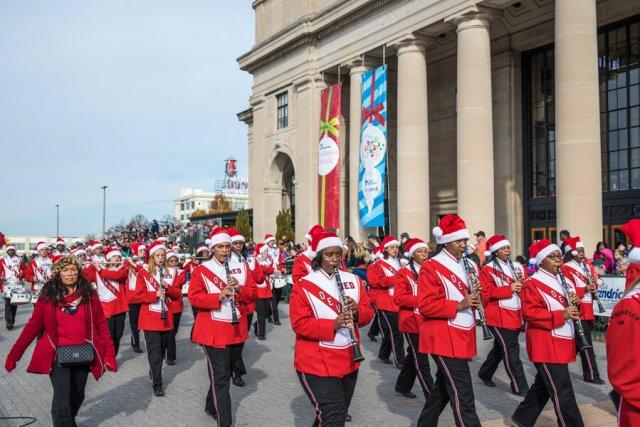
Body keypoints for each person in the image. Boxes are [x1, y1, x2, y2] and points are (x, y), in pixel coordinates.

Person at [4, 255, 117, 427]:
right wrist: (14, 356)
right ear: (58, 273)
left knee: (78, 396)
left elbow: (101, 326)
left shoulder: (89, 296)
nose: (70, 274)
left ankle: (68, 421)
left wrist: (110, 355)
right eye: (66, 270)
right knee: (61, 399)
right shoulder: (48, 296)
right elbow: (32, 327)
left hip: (83, 353)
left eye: (74, 270)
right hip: (57, 355)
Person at [290, 231, 374, 426]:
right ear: (319, 256)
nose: (334, 259)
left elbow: (368, 313)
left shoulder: (353, 280)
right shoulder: (304, 285)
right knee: (333, 416)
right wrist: (333, 324)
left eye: (338, 254)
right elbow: (300, 324)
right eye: (329, 255)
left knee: (330, 416)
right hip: (316, 360)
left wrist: (356, 312)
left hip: (348, 357)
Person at [417, 214, 482, 427]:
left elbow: (480, 296)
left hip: (462, 332)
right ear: (446, 241)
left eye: (464, 240)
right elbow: (425, 305)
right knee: (463, 391)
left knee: (445, 388)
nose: (463, 245)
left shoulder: (470, 265)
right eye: (458, 241)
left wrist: (480, 296)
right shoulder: (431, 266)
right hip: (442, 335)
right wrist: (459, 305)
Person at [511, 239, 584, 427]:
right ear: (541, 260)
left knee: (544, 385)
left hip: (562, 338)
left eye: (559, 256)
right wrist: (562, 314)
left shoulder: (565, 281)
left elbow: (573, 309)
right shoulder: (532, 283)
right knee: (562, 390)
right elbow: (530, 314)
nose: (557, 260)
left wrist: (577, 304)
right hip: (544, 342)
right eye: (552, 257)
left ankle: (523, 417)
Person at [188, 228, 257, 425]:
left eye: (227, 246)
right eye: (221, 247)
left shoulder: (242, 268)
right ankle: (224, 421)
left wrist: (239, 289)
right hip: (212, 331)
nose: (225, 250)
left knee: (224, 373)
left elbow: (253, 293)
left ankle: (211, 404)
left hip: (236, 329)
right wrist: (217, 296)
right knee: (221, 378)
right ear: (213, 248)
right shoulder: (202, 270)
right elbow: (194, 297)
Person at [477, 234, 529, 395]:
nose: (507, 251)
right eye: (503, 248)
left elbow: (526, 289)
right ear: (495, 251)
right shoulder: (487, 269)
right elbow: (486, 293)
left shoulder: (517, 267)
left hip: (515, 313)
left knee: (501, 349)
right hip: (497, 315)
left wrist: (524, 282)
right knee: (511, 350)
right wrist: (509, 288)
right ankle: (520, 386)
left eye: (508, 247)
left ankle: (485, 373)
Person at [134, 241, 182, 397]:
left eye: (163, 255)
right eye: (158, 255)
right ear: (152, 256)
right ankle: (157, 383)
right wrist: (152, 295)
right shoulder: (143, 272)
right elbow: (136, 296)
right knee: (154, 352)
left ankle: (153, 371)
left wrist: (168, 289)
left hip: (166, 317)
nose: (161, 258)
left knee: (161, 351)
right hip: (150, 318)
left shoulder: (172, 272)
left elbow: (177, 295)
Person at [393, 238, 434, 398]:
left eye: (425, 251)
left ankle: (402, 385)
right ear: (412, 255)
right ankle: (431, 395)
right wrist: (423, 300)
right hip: (411, 321)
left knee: (413, 355)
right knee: (421, 358)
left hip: (427, 319)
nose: (424, 254)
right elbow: (399, 298)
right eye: (420, 251)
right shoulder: (404, 273)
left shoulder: (431, 270)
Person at [561, 236, 605, 384]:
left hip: (588, 306)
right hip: (579, 308)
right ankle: (592, 374)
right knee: (586, 344)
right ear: (571, 252)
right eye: (578, 250)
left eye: (582, 250)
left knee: (578, 343)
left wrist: (594, 285)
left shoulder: (586, 265)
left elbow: (592, 283)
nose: (581, 252)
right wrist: (585, 288)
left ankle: (557, 365)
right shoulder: (566, 267)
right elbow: (568, 289)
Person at [82, 246, 129, 356]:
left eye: (119, 256)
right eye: (114, 256)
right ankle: (108, 356)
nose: (117, 258)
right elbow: (86, 276)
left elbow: (118, 276)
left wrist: (101, 269)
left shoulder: (123, 268)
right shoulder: (100, 270)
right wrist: (91, 265)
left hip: (120, 308)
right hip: (105, 309)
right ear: (108, 258)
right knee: (109, 335)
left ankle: (113, 354)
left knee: (118, 335)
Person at [367, 235, 405, 368]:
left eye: (396, 247)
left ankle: (383, 354)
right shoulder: (377, 264)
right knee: (397, 333)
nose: (395, 249)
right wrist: (397, 278)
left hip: (399, 301)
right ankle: (401, 361)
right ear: (386, 249)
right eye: (392, 247)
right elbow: (374, 282)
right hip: (386, 302)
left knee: (391, 332)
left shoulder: (400, 262)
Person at [165, 251, 186, 365]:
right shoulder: (160, 272)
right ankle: (170, 356)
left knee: (174, 331)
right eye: (171, 261)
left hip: (177, 305)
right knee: (170, 332)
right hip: (165, 305)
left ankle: (167, 349)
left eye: (175, 261)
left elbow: (180, 283)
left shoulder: (181, 272)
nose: (173, 263)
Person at [1, 244, 27, 329]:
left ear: (14, 251)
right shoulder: (3, 260)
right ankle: (9, 321)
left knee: (15, 303)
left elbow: (25, 269)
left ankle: (12, 320)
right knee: (8, 302)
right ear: (7, 251)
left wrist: (21, 274)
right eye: (9, 250)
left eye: (12, 250)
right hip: (7, 284)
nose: (11, 251)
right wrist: (1, 277)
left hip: (17, 283)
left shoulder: (19, 260)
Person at [127, 242, 147, 353]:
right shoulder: (128, 262)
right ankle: (135, 344)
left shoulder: (147, 263)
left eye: (144, 250)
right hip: (133, 298)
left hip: (144, 297)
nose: (144, 252)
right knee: (134, 323)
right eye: (141, 250)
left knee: (144, 322)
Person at [253, 243, 275, 339]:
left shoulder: (269, 260)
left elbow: (271, 270)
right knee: (261, 312)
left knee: (268, 311)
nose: (266, 253)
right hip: (258, 289)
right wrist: (265, 269)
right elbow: (258, 273)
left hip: (267, 288)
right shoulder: (255, 260)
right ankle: (261, 333)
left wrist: (265, 269)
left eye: (267, 251)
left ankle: (257, 324)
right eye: (264, 251)